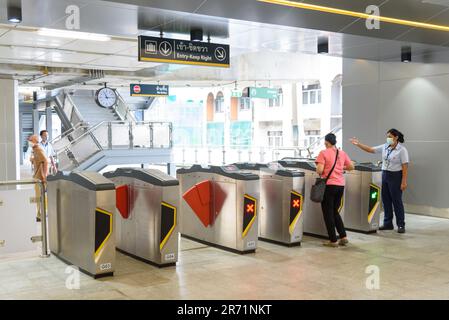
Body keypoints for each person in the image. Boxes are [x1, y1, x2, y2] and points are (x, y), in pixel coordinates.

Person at [350, 129, 409, 234]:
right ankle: (388, 223)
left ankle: (401, 224)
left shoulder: (402, 150)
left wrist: (404, 181)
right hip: (385, 174)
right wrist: (358, 144)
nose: (388, 138)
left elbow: (405, 166)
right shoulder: (385, 146)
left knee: (397, 201)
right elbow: (371, 150)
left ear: (396, 137)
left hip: (396, 176)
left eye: (390, 136)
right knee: (386, 200)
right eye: (387, 136)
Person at [315, 133, 355, 247]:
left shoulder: (323, 153)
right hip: (340, 185)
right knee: (334, 211)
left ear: (326, 142)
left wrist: (319, 167)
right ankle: (343, 236)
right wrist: (341, 168)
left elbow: (320, 170)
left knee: (328, 213)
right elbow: (352, 167)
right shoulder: (341, 153)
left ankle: (333, 240)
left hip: (329, 185)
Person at [28, 135, 48, 222]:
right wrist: (33, 159)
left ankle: (41, 215)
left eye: (30, 140)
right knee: (39, 196)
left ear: (35, 141)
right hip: (37, 176)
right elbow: (39, 161)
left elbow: (46, 161)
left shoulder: (39, 149)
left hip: (40, 177)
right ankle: (39, 214)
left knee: (40, 196)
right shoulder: (34, 150)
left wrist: (44, 176)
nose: (29, 141)